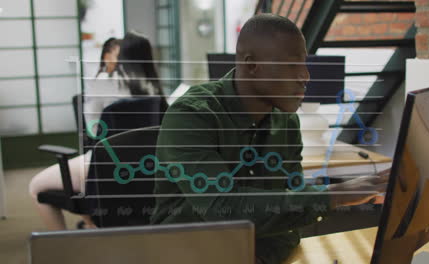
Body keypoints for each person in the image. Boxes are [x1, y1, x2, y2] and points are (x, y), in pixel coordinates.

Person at [150, 14, 388, 264]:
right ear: (252, 65)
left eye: (304, 64)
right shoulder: (191, 116)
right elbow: (224, 207)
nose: (305, 76)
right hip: (185, 252)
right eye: (292, 65)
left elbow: (291, 200)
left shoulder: (285, 120)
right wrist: (333, 195)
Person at [29, 32, 168, 230]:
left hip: (102, 165)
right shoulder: (154, 87)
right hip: (145, 168)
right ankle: (92, 227)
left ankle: (61, 245)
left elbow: (94, 130)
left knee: (35, 187)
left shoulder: (102, 80)